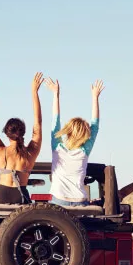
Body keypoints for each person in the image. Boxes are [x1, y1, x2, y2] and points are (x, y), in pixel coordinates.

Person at [0, 72, 44, 204]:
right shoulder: (31, 153)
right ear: (23, 132)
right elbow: (38, 122)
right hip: (21, 196)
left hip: (1, 195)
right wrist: (34, 91)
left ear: (6, 133)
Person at [45, 77, 105, 206]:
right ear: (85, 134)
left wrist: (56, 94)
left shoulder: (57, 147)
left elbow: (55, 121)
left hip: (59, 200)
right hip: (80, 201)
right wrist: (95, 97)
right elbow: (95, 124)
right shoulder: (85, 150)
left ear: (68, 130)